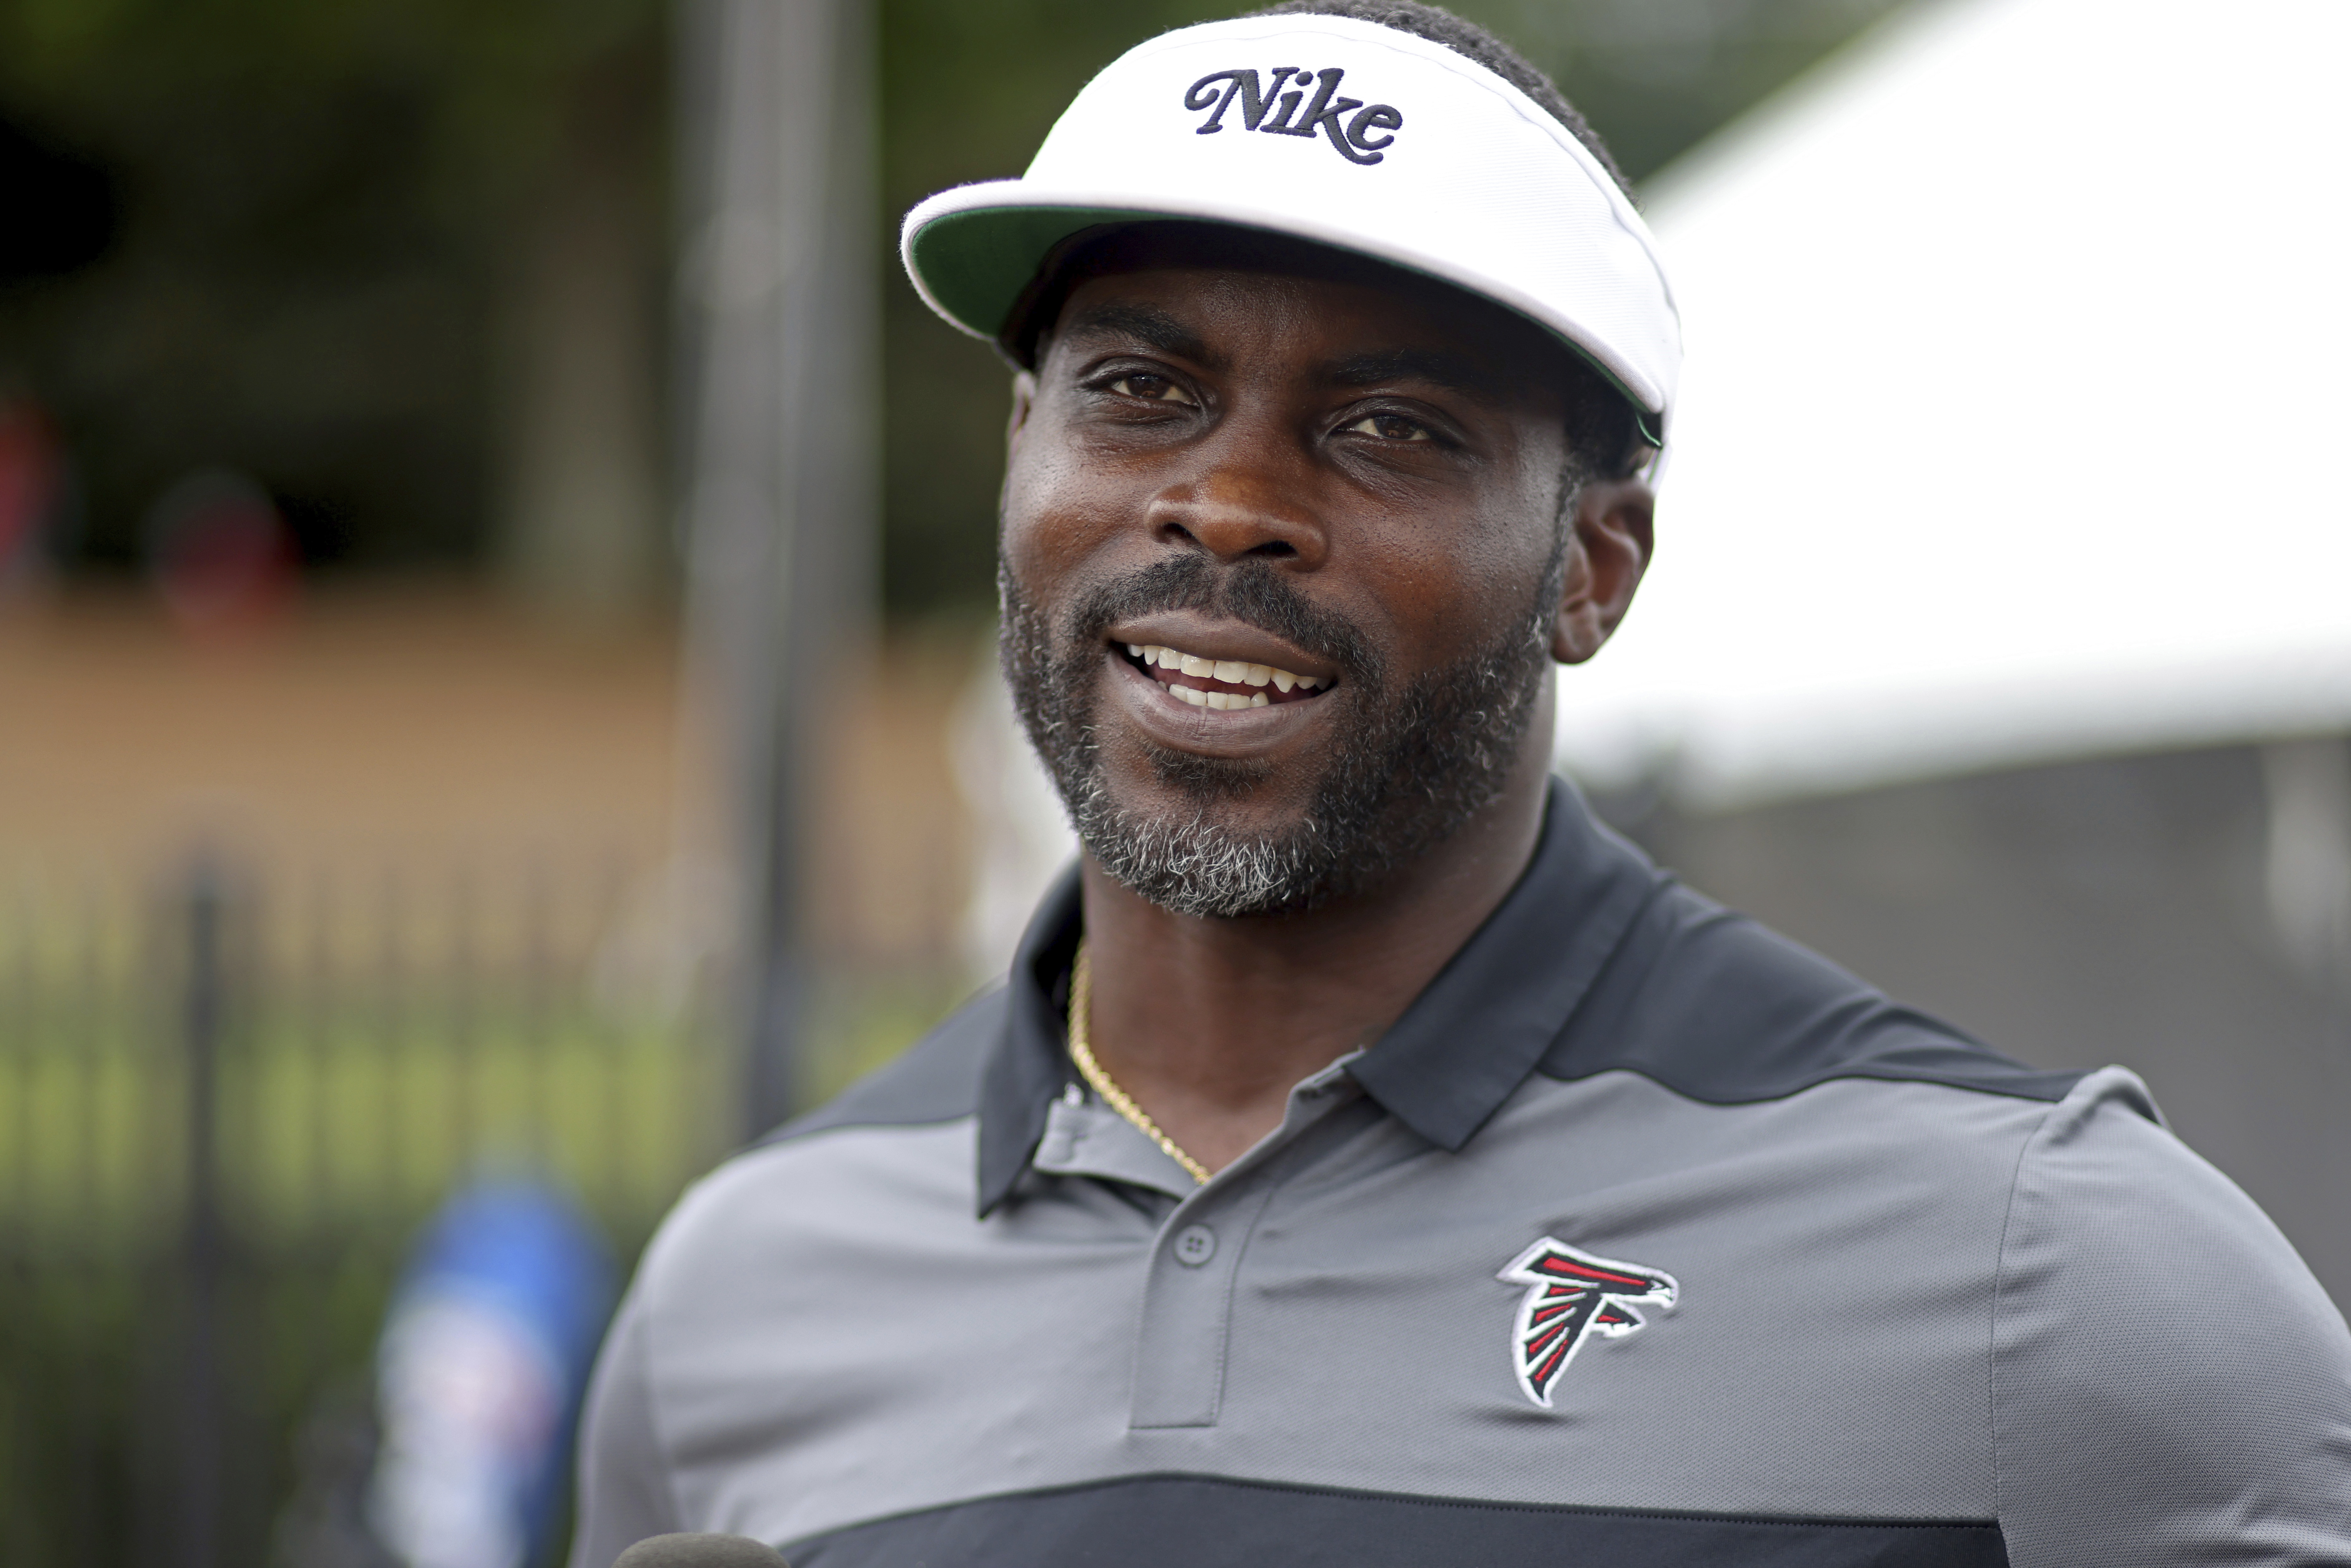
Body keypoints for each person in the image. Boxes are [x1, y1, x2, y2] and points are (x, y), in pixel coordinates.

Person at [569, 4, 2351, 1564]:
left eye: (1389, 427)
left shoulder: (2044, 1259)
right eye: (1136, 387)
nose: (1223, 498)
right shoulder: (747, 1283)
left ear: (1592, 563)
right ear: (1019, 452)